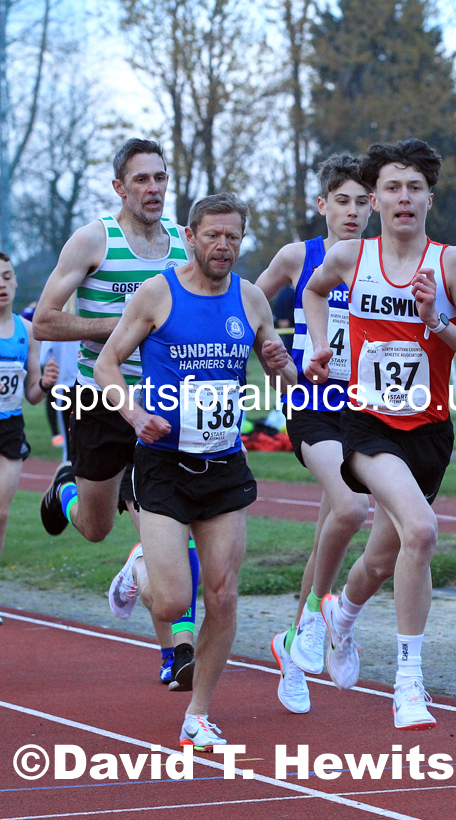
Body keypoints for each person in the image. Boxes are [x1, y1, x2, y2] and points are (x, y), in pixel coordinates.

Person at [303, 139, 456, 730]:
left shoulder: (450, 263)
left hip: (429, 432)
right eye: (392, 187)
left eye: (414, 188)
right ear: (376, 199)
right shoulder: (349, 257)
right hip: (366, 425)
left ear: (429, 200)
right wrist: (319, 346)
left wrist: (436, 321)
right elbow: (312, 291)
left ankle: (341, 617)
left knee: (384, 556)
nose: (403, 197)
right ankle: (409, 683)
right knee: (422, 530)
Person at [94, 192, 297, 750]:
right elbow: (107, 361)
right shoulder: (157, 294)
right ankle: (141, 568)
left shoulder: (251, 299)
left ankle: (198, 715)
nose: (223, 246)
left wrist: (286, 367)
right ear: (190, 236)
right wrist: (134, 413)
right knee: (172, 604)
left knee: (225, 594)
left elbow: (285, 378)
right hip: (162, 465)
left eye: (233, 236)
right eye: (213, 235)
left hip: (225, 466)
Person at [32, 138, 199, 685]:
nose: (154, 189)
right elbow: (46, 322)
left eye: (160, 177)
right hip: (99, 402)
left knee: (173, 529)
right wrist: (124, 327)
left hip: (164, 408)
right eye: (142, 180)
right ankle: (68, 490)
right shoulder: (93, 239)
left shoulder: (183, 242)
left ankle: (178, 653)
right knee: (97, 528)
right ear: (120, 188)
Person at [255, 155, 371, 714]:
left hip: (368, 409)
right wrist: (271, 352)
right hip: (311, 398)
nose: (352, 212)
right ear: (323, 205)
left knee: (333, 527)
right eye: (341, 201)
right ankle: (309, 629)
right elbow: (250, 301)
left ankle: (292, 642)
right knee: (349, 511)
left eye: (361, 201)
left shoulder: (383, 260)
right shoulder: (299, 256)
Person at [0, 253, 59, 628]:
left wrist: (46, 382)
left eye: (6, 277)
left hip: (10, 427)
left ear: (16, 281)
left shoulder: (26, 330)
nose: (1, 285)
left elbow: (33, 395)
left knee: (2, 514)